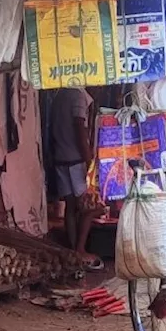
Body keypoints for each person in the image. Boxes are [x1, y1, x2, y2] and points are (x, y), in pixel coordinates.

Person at [49, 87, 102, 269]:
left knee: (70, 207)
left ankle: (73, 249)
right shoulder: (77, 96)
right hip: (76, 160)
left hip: (61, 158)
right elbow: (80, 129)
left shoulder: (58, 95)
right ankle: (80, 249)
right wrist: (89, 163)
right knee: (88, 208)